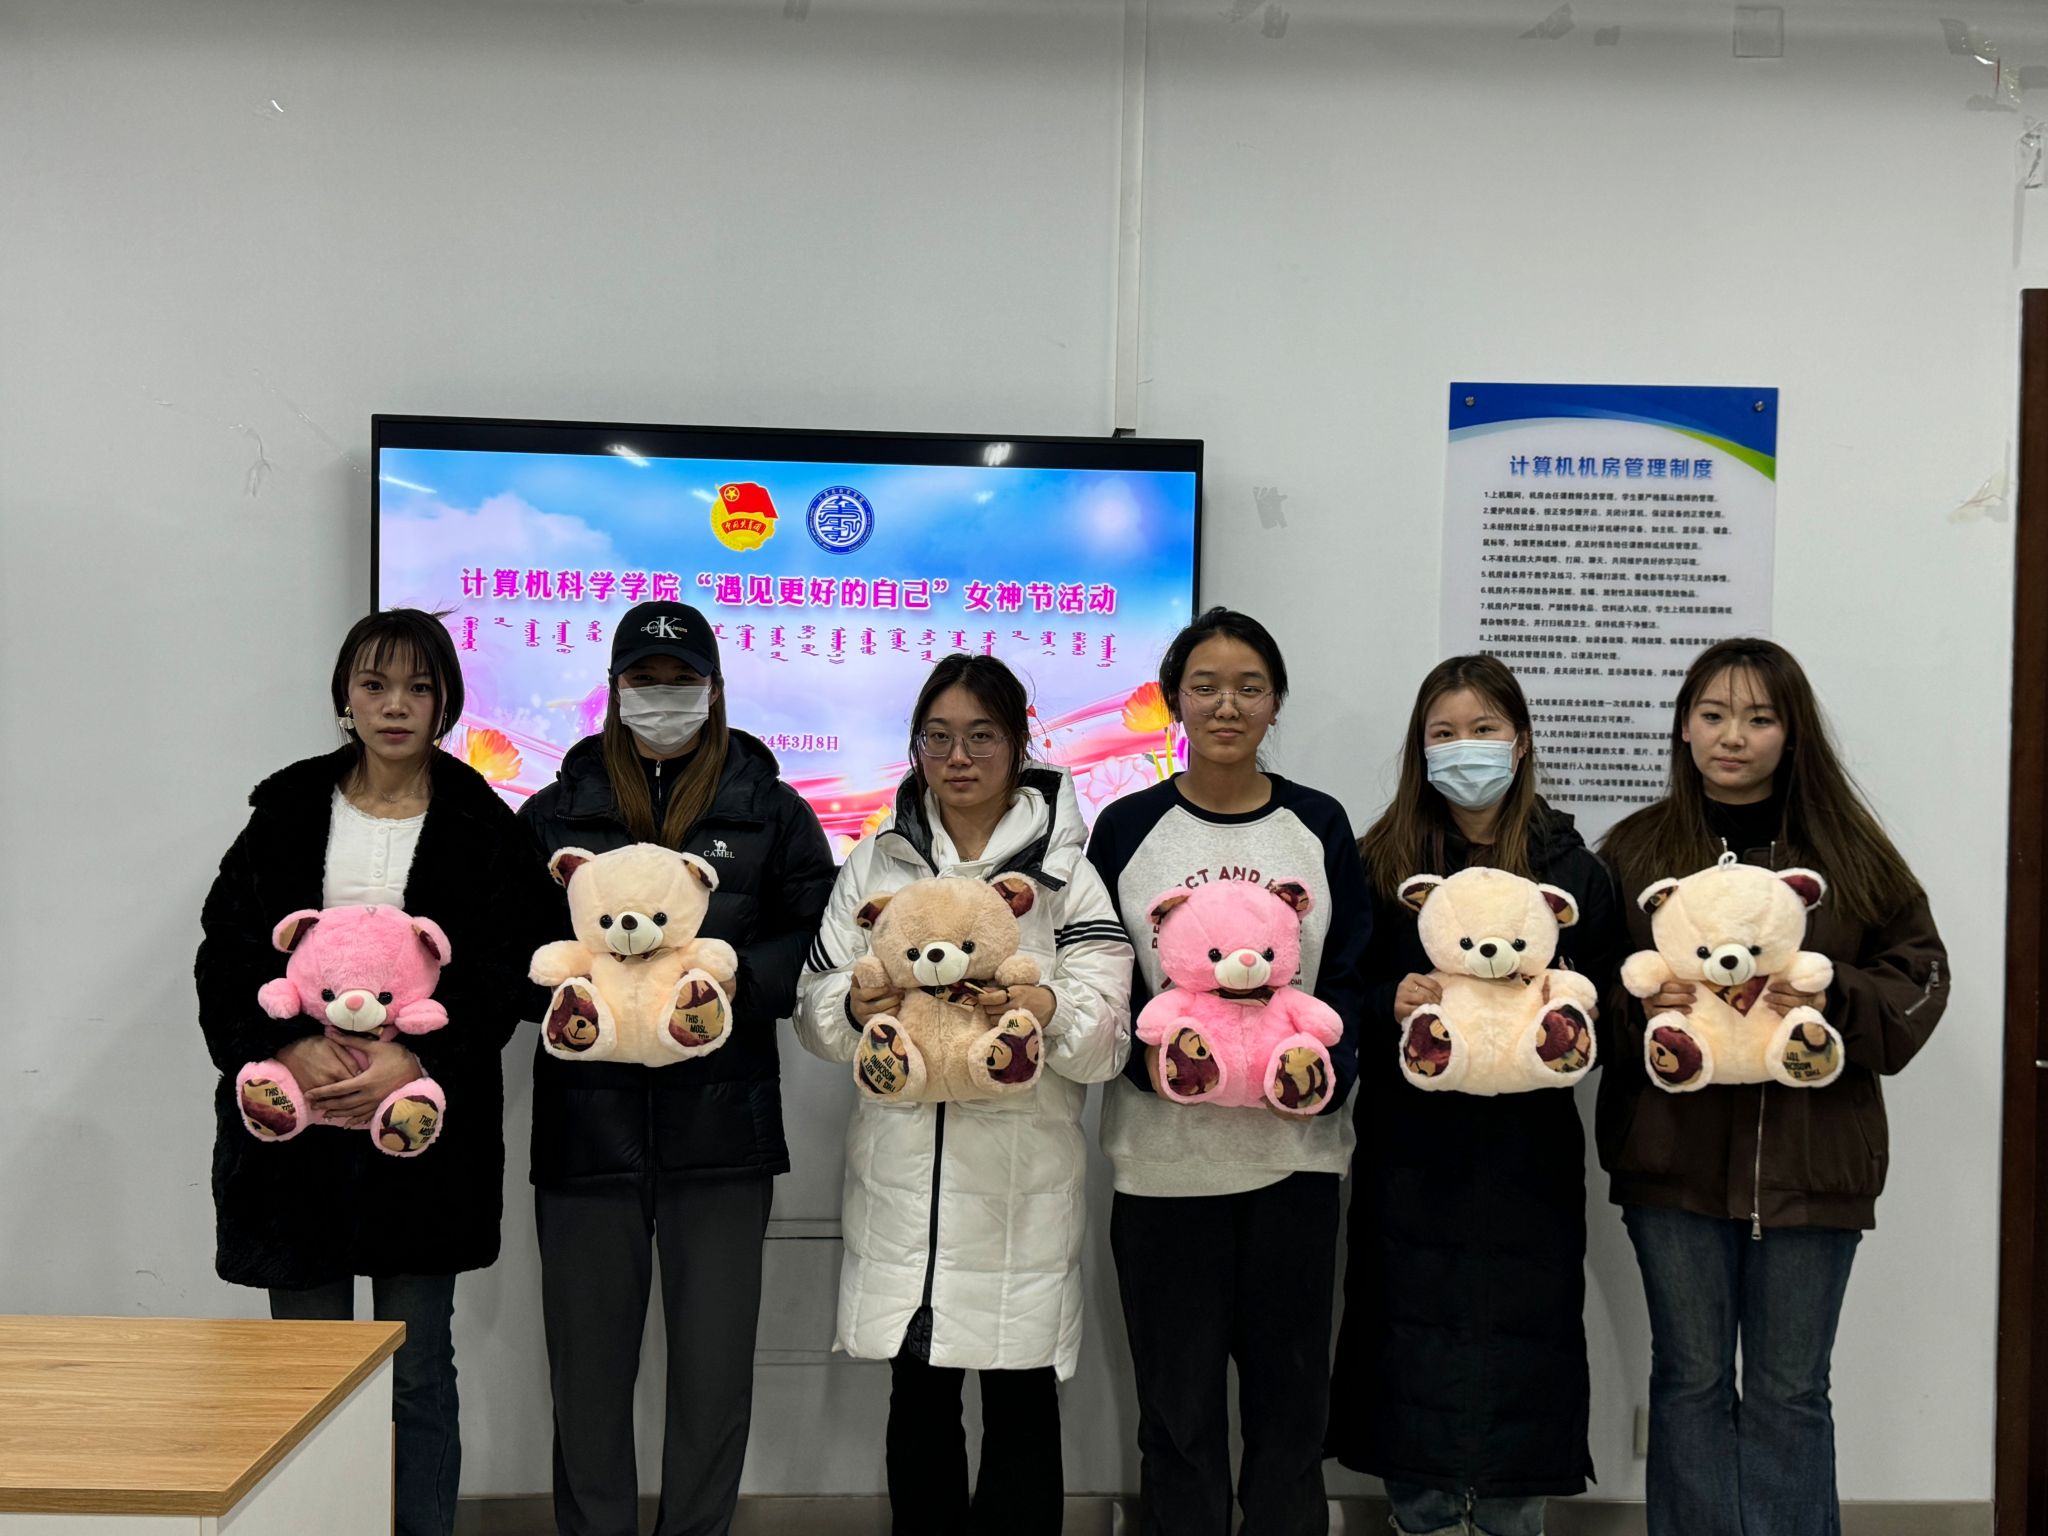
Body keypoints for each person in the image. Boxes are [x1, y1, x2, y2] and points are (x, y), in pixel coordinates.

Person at [195, 608, 555, 1536]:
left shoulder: (482, 823)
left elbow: (510, 966)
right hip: (296, 1129)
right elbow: (226, 951)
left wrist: (416, 1056)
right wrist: (282, 1047)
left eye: (418, 687)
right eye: (375, 684)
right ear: (345, 698)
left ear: (446, 704)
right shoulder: (285, 811)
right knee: (305, 1374)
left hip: (420, 1135)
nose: (396, 705)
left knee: (418, 1367)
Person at [1598, 638, 1949, 1536]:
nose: (1733, 736)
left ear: (1792, 734)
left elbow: (1921, 976)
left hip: (1813, 1166)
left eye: (1759, 718)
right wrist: (1641, 1004)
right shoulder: (1636, 851)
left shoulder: (1850, 853)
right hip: (1671, 1165)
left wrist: (1835, 990)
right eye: (1714, 714)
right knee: (1689, 1380)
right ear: (1684, 726)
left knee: (1792, 1391)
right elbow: (1575, 999)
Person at [793, 653, 1134, 1535]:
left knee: (1022, 1410)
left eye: (982, 736)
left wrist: (1045, 1009)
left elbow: (1107, 1043)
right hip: (901, 1190)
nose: (958, 757)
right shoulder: (877, 864)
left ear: (1020, 743)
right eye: (938, 737)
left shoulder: (1066, 876)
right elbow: (813, 1015)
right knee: (919, 1407)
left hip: (1022, 1190)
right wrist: (854, 1006)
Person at [519, 599, 835, 1536]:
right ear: (614, 689)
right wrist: (580, 994)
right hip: (586, 1130)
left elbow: (818, 939)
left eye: (681, 680)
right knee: (586, 1375)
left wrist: (730, 984)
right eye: (644, 680)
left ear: (715, 689)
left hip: (722, 1130)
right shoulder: (554, 813)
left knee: (713, 1372)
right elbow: (511, 951)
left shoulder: (772, 810)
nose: (663, 697)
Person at [1084, 607, 1372, 1536]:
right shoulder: (1128, 826)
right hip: (1164, 1166)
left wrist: (1323, 1071)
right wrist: (1156, 1066)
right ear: (1174, 699)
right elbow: (1104, 977)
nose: (1227, 706)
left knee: (1291, 1409)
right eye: (1204, 686)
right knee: (1177, 1410)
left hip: (1296, 1165)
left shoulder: (1317, 823)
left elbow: (1351, 974)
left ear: (1276, 702)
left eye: (1250, 687)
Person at [1326, 656, 1623, 1536]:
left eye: (1484, 730)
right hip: (1410, 1153)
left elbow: (1609, 1009)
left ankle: (1511, 1517)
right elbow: (1340, 995)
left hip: (1530, 1157)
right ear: (1420, 751)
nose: (1467, 749)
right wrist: (1392, 1001)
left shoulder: (1573, 870)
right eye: (1445, 734)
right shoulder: (1381, 863)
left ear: (1520, 742)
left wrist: (1562, 1009)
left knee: (1526, 1341)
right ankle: (1417, 1516)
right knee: (1407, 1337)